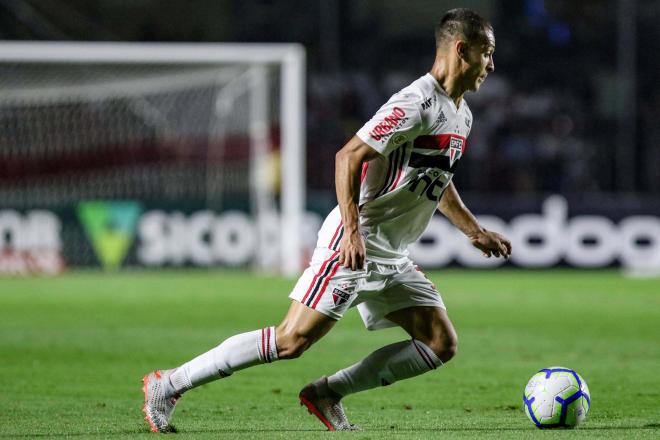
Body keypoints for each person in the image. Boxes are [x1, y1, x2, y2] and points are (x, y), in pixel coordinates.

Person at [142, 7, 511, 432]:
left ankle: (326, 394)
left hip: (393, 253)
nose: (492, 64)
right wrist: (352, 232)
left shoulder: (461, 114)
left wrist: (473, 230)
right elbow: (348, 157)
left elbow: (435, 179)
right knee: (291, 340)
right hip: (356, 241)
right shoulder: (416, 102)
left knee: (439, 343)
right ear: (462, 49)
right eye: (487, 52)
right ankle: (168, 384)